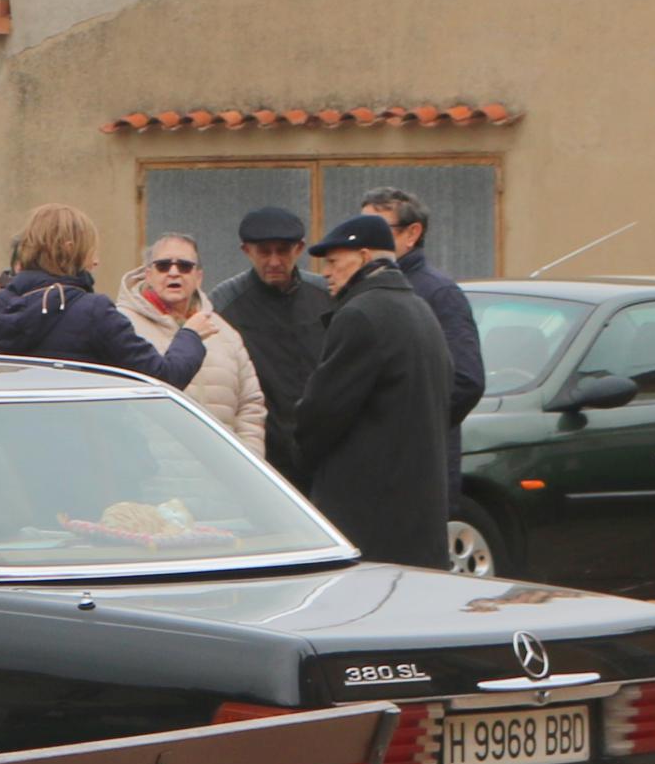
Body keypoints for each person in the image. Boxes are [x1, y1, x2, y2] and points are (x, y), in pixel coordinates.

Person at [293, 213, 453, 567]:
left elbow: (320, 415)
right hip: (418, 509)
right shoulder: (419, 308)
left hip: (369, 512)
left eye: (334, 262)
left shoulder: (361, 314)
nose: (326, 272)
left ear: (364, 257)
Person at [0, 203, 209, 385]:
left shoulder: (2, 304)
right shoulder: (93, 311)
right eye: (90, 251)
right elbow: (163, 377)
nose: (96, 261)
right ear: (70, 249)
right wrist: (190, 335)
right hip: (82, 434)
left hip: (17, 434)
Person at [364, 186, 487, 487]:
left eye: (377, 230)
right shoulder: (364, 287)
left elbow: (467, 380)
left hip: (420, 466)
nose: (363, 242)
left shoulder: (438, 293)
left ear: (412, 234)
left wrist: (412, 429)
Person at [207, 207, 333, 479]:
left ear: (299, 249)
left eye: (283, 250)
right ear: (246, 251)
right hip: (265, 452)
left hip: (325, 450)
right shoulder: (226, 303)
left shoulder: (326, 297)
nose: (274, 261)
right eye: (264, 251)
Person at [115, 232, 267, 456]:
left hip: (220, 476)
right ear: (148, 274)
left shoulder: (224, 332)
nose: (174, 272)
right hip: (152, 477)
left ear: (199, 277)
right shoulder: (122, 325)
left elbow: (250, 405)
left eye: (184, 266)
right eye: (163, 265)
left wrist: (248, 458)